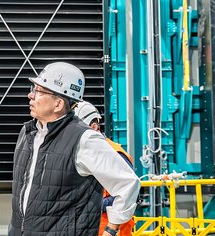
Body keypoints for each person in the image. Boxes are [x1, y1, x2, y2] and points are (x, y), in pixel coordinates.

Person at [9, 62, 141, 236]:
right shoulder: (27, 133)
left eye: (39, 91)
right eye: (33, 88)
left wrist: (111, 229)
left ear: (58, 104)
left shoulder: (84, 139)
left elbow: (128, 183)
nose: (30, 95)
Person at [74, 101, 136, 236]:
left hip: (111, 229)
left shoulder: (115, 154)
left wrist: (94, 204)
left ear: (94, 127)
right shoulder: (83, 154)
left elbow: (128, 193)